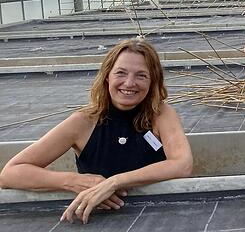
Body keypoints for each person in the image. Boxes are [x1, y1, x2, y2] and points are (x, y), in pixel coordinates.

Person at [0, 39, 193, 224]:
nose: (129, 83)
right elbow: (10, 173)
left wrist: (115, 182)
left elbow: (182, 164)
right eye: (121, 73)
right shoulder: (83, 122)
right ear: (107, 76)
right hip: (96, 220)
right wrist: (73, 181)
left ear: (153, 81)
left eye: (141, 75)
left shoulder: (161, 114)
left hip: (157, 215)